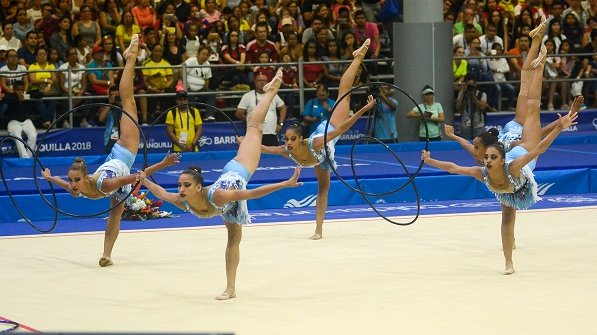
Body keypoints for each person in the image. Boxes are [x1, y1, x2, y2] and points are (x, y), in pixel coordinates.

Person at [422, 26, 580, 275]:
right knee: (526, 98)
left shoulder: (512, 164)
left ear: (501, 158)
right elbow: (453, 167)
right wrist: (430, 161)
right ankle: (537, 49)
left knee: (530, 102)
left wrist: (559, 128)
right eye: (486, 157)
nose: (486, 160)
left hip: (525, 150)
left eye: (490, 157)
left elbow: (538, 147)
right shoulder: (484, 168)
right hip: (515, 154)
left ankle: (538, 58)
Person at [139, 69, 303, 301]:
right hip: (229, 192)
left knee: (254, 126)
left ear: (198, 187)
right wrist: (144, 179)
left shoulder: (217, 196)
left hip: (240, 169)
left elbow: (252, 192)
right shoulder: (183, 200)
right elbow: (161, 191)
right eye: (180, 185)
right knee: (233, 240)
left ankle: (271, 90)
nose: (181, 190)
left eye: (186, 185)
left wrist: (285, 183)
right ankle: (232, 288)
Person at [40, 34, 179, 267]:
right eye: (72, 181)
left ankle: (131, 56)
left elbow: (137, 176)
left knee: (128, 101)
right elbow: (62, 183)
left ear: (85, 177)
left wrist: (163, 165)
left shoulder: (102, 184)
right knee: (115, 214)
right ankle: (107, 255)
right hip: (117, 162)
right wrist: (48, 177)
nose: (72, 185)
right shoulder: (78, 188)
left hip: (124, 150)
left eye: (75, 180)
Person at [260, 39, 377, 240]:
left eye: (292, 139)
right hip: (322, 158)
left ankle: (359, 56)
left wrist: (363, 110)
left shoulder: (315, 142)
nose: (288, 143)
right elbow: (262, 148)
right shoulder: (286, 150)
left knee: (344, 94)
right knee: (323, 189)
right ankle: (319, 230)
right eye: (286, 139)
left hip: (331, 130)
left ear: (301, 139)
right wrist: (244, 141)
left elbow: (341, 128)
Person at [235, 72, 287, 146]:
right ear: (255, 82)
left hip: (271, 133)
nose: (262, 82)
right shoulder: (247, 96)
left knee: (272, 156)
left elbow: (283, 108)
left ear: (268, 82)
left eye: (264, 80)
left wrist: (281, 123)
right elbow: (239, 113)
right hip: (254, 133)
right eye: (259, 80)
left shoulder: (273, 95)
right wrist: (251, 121)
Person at [5, 81, 37, 158]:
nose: (20, 92)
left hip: (26, 121)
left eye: (22, 90)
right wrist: (17, 98)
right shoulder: (10, 97)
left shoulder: (26, 97)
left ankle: (29, 157)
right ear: (14, 90)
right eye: (18, 90)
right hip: (13, 122)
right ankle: (24, 157)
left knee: (33, 135)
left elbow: (37, 95)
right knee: (18, 136)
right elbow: (5, 100)